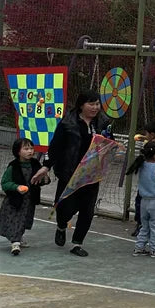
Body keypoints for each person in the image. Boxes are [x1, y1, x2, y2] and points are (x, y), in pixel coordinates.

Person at [30, 90, 111, 257]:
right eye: (91, 104)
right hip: (69, 173)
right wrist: (46, 166)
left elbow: (108, 143)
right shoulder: (68, 123)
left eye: (97, 104)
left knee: (87, 211)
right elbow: (56, 146)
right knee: (64, 208)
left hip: (91, 174)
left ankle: (77, 243)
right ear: (81, 105)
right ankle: (61, 226)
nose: (95, 107)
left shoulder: (103, 123)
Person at [0, 137, 49, 254]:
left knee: (24, 220)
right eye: (26, 149)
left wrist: (45, 178)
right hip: (15, 200)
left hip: (29, 200)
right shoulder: (13, 166)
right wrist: (16, 187)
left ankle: (18, 238)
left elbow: (41, 181)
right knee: (15, 219)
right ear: (18, 151)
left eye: (31, 148)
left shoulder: (36, 164)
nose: (30, 151)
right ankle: (15, 243)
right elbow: (5, 183)